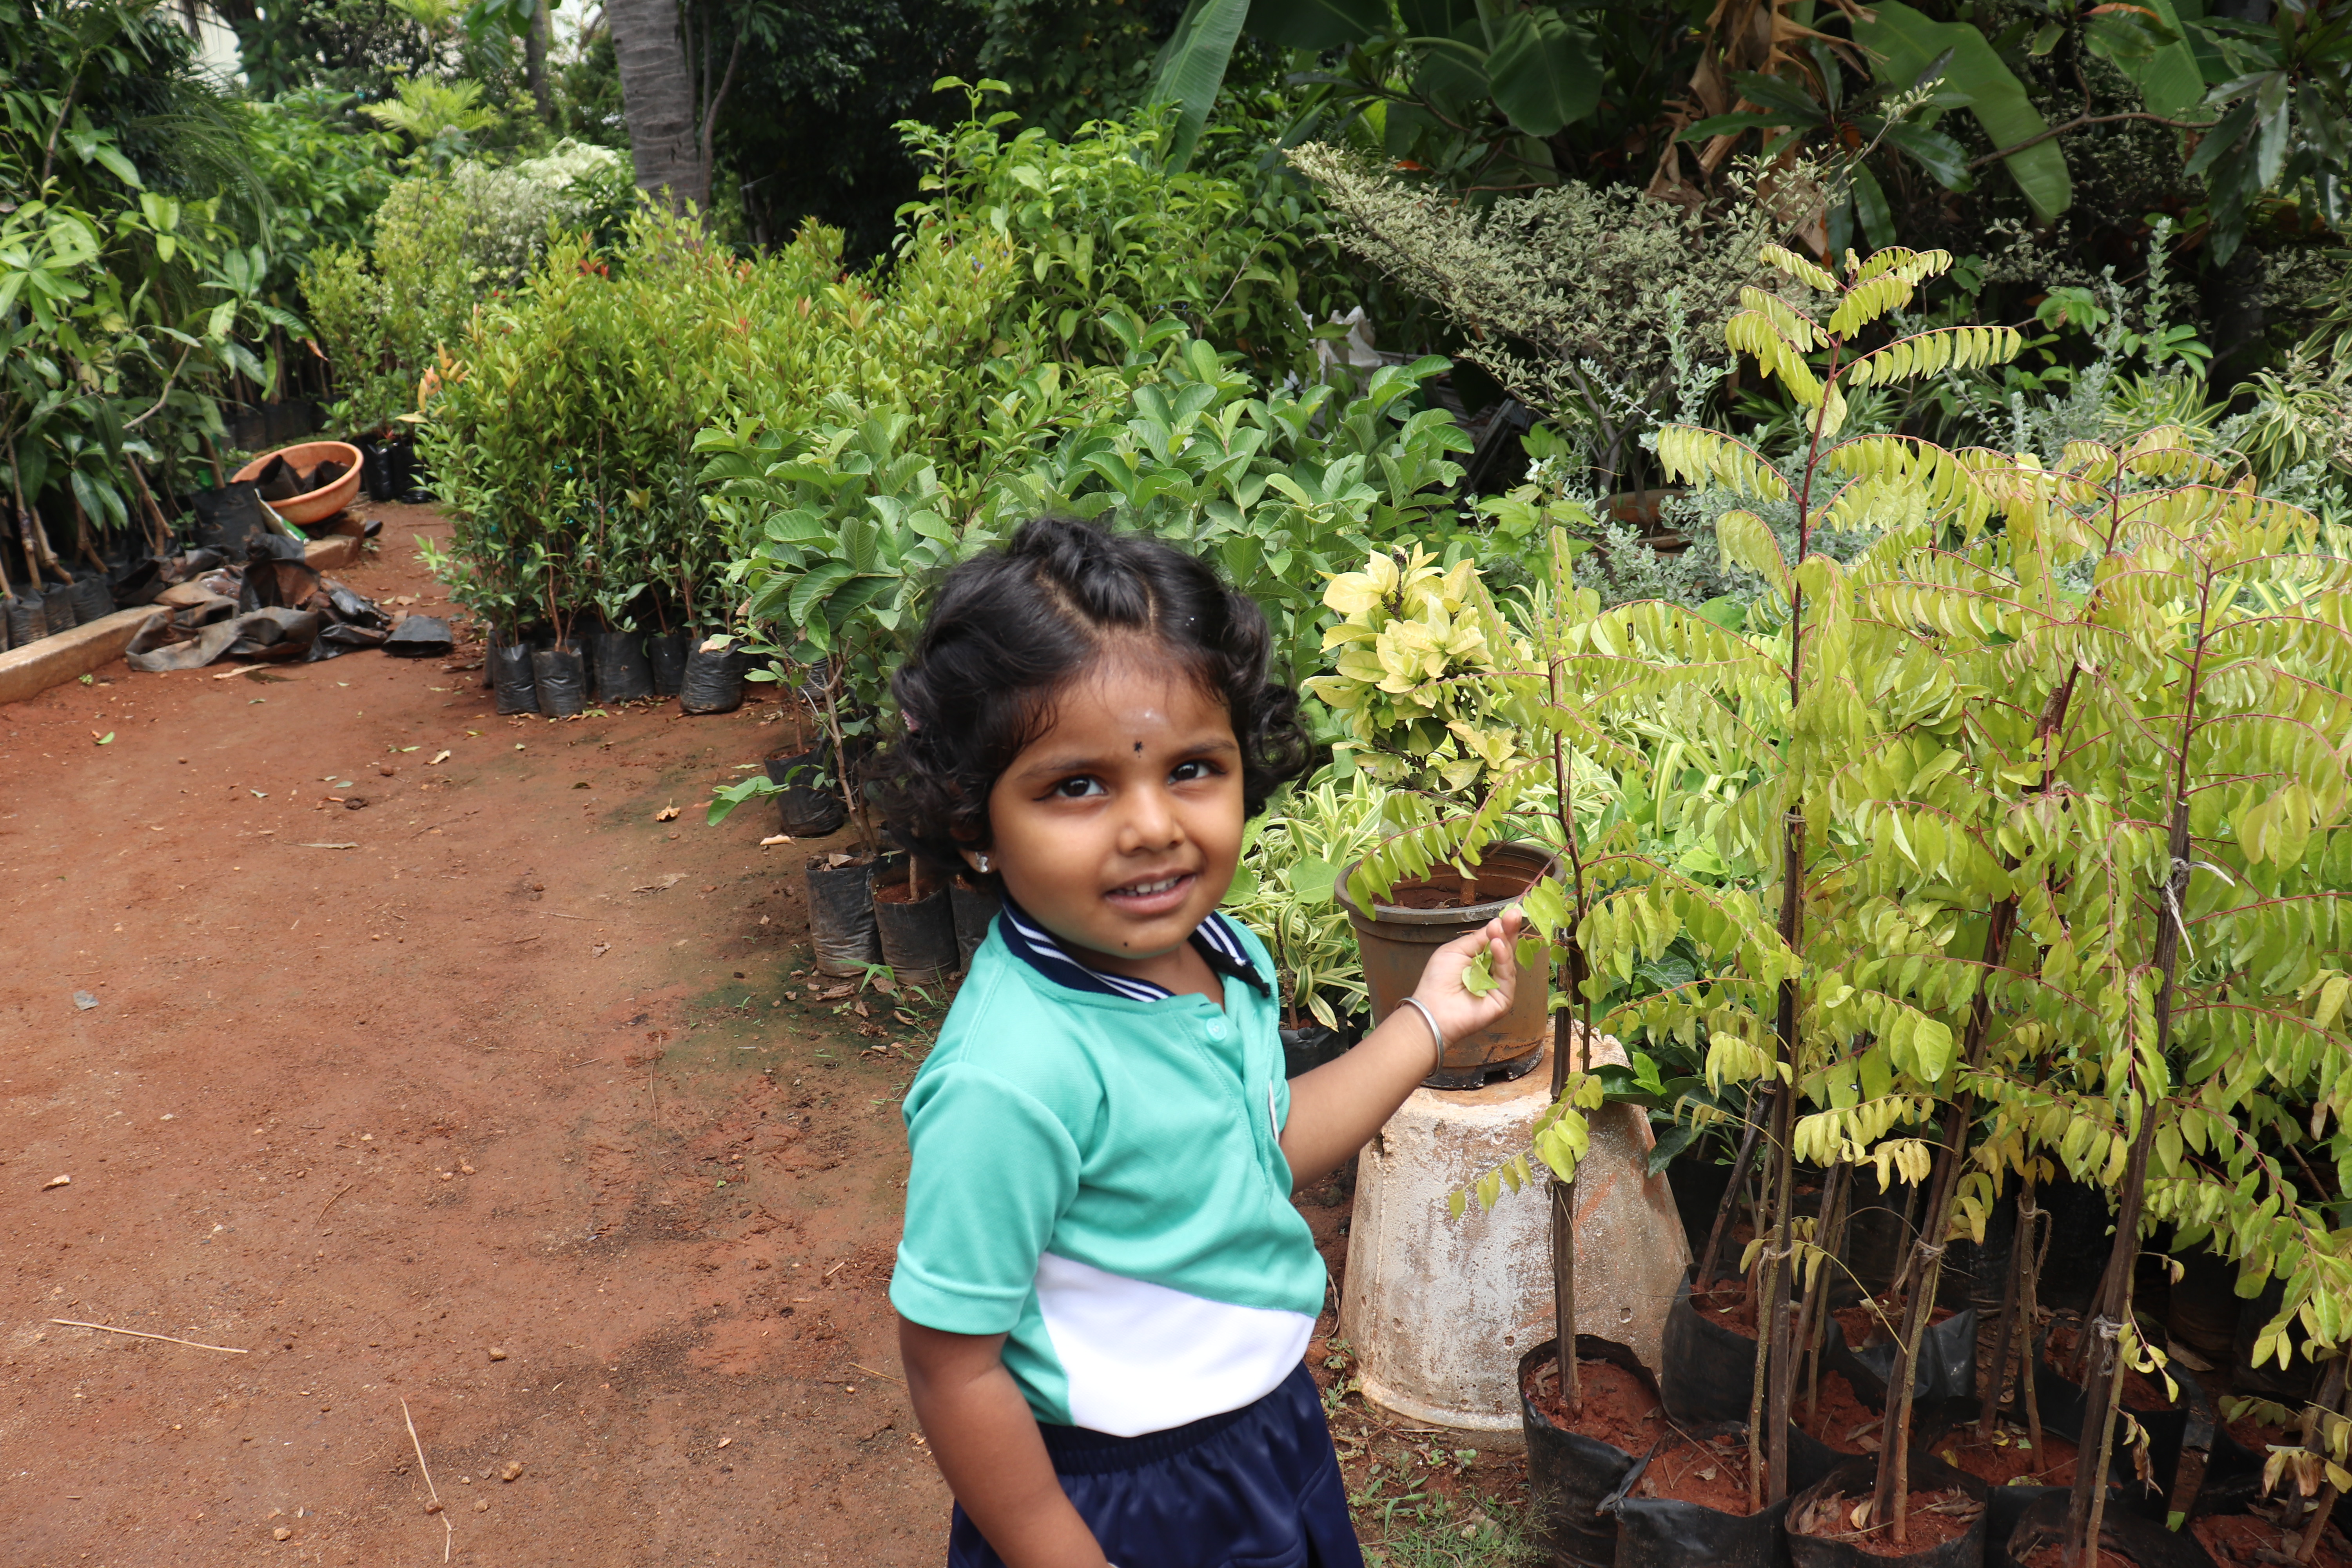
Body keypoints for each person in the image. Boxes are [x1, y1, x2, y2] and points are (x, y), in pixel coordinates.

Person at [882, 516, 1525, 1568]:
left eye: (1191, 768)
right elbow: (952, 1366)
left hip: (1266, 1434)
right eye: (1076, 785)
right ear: (974, 821)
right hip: (1123, 1502)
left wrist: (1425, 1024)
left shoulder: (1220, 954)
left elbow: (1252, 1152)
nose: (1151, 825)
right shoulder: (1012, 1079)